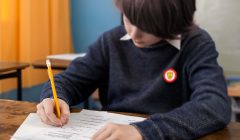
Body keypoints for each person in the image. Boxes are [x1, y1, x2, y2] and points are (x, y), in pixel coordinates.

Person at [37, 0, 231, 139]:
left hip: (166, 133)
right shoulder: (111, 41)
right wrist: (56, 97)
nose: (134, 34)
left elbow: (214, 105)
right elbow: (69, 80)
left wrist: (143, 131)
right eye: (129, 19)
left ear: (174, 21)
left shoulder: (196, 43)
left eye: (148, 26)